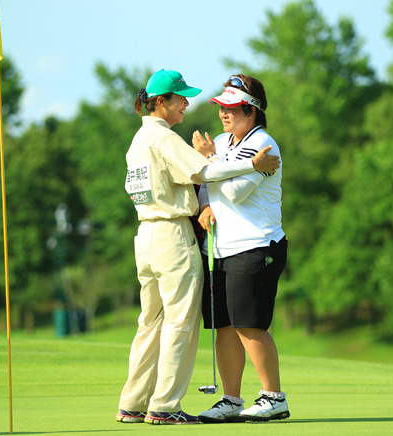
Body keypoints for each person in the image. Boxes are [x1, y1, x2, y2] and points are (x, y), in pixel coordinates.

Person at [116, 69, 280, 425]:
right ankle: (165, 406)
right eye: (180, 99)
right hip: (171, 235)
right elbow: (205, 173)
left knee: (150, 323)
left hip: (144, 235)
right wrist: (252, 164)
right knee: (179, 322)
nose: (186, 105)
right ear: (162, 102)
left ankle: (132, 402)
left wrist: (212, 179)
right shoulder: (164, 137)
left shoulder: (138, 140)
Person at [193, 74, 290, 423]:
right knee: (225, 326)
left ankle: (273, 397)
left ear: (251, 110)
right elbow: (205, 184)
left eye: (231, 107)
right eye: (221, 107)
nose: (223, 114)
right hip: (220, 249)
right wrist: (204, 205)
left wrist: (211, 160)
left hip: (256, 246)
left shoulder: (263, 144)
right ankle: (231, 399)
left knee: (250, 325)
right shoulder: (222, 141)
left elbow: (234, 192)